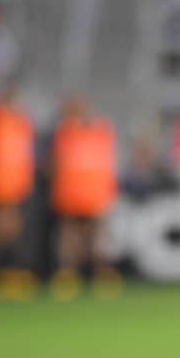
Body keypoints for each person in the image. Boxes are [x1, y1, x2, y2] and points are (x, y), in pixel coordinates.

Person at [49, 95, 120, 300]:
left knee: (97, 238)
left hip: (95, 194)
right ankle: (69, 278)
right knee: (71, 239)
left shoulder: (100, 131)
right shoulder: (65, 133)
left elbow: (106, 163)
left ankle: (101, 276)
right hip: (71, 195)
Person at [0, 84, 36, 300]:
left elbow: (25, 155)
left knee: (13, 228)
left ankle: (11, 272)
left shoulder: (21, 123)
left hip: (16, 184)